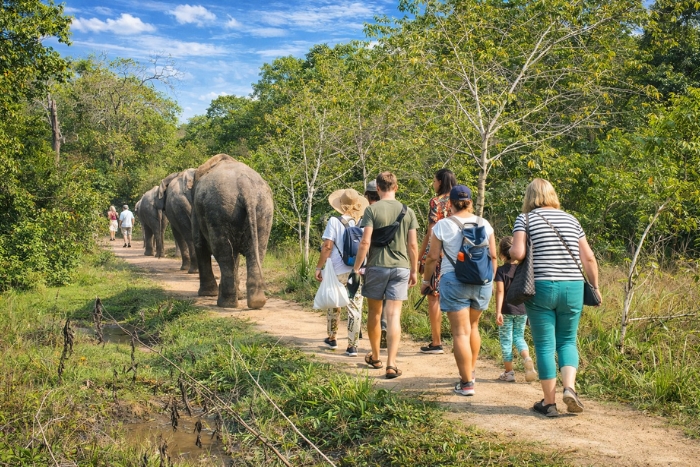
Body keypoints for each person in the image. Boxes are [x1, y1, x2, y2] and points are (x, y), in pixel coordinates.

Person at [509, 178, 601, 417]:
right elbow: (589, 258)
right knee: (568, 340)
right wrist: (596, 286)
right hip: (573, 287)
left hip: (541, 287)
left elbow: (518, 253)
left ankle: (549, 403)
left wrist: (510, 250)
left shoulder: (525, 219)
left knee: (545, 345)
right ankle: (569, 388)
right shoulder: (571, 219)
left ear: (529, 197)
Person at [422, 185, 497, 396]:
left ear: (450, 204)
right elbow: (493, 257)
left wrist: (426, 280)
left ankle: (466, 383)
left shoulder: (443, 225)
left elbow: (432, 257)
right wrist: (489, 279)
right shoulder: (485, 224)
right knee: (473, 326)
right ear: (470, 202)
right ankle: (470, 373)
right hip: (482, 281)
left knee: (460, 332)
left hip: (454, 281)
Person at [353, 172, 419, 379]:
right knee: (393, 316)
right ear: (396, 187)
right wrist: (414, 270)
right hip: (401, 268)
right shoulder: (408, 211)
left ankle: (375, 356)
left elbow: (365, 242)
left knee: (374, 313)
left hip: (376, 266)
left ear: (378, 189)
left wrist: (356, 267)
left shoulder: (371, 210)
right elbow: (413, 245)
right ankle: (391, 363)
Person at [315, 188, 369, 356]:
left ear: (340, 206)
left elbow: (327, 246)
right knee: (355, 306)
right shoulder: (363, 222)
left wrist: (319, 267)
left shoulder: (334, 221)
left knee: (334, 302)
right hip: (357, 270)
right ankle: (352, 346)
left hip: (337, 270)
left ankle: (332, 338)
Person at [418, 168, 456, 355]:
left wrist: (422, 257)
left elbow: (431, 232)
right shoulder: (461, 202)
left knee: (433, 296)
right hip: (459, 255)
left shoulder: (436, 202)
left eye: (434, 181)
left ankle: (436, 341)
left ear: (440, 182)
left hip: (439, 255)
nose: (433, 184)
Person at [494, 236, 537, 383]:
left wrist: (498, 311)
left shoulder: (501, 271)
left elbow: (500, 292)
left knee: (506, 340)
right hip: (522, 309)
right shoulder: (524, 270)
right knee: (519, 337)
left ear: (502, 254)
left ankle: (509, 372)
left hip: (506, 310)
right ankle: (527, 358)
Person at [363, 180, 388, 349]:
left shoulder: (369, 212)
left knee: (373, 307)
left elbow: (363, 241)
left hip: (372, 262)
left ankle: (372, 340)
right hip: (395, 263)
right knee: (389, 304)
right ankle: (385, 327)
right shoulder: (395, 210)